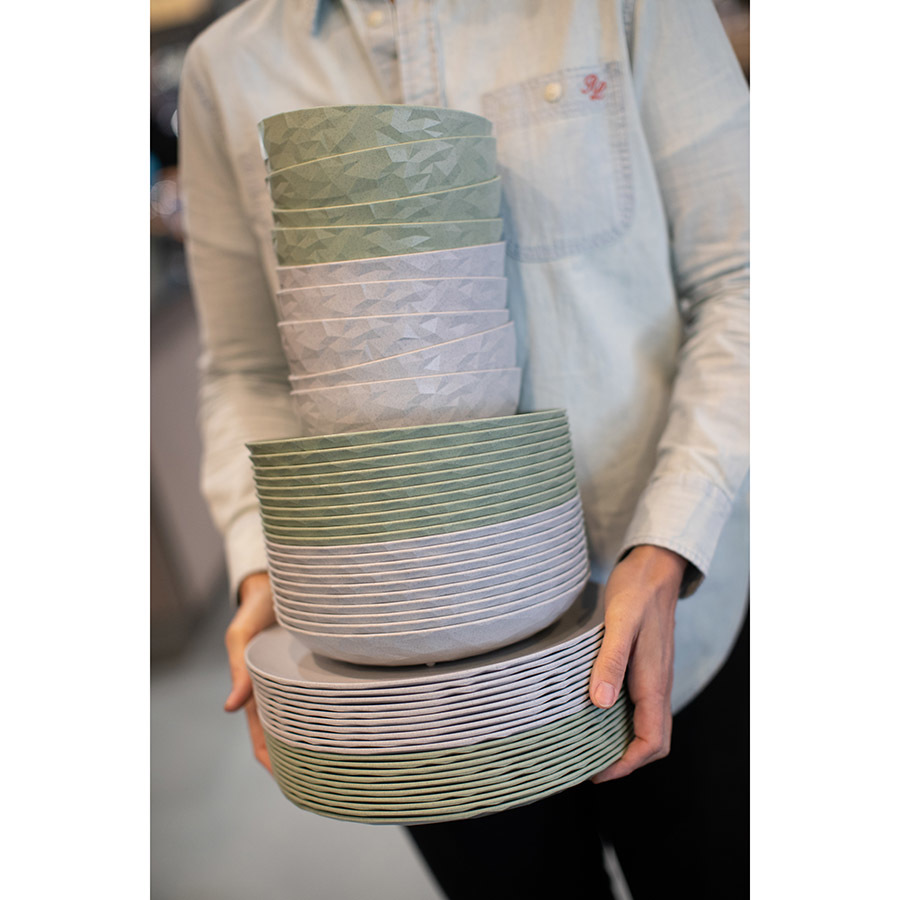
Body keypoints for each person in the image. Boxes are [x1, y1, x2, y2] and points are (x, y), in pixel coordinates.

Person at [178, 1, 749, 896]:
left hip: (678, 624)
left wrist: (668, 543)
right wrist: (268, 568)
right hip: (415, 684)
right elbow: (247, 368)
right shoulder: (227, 65)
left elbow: (747, 279)